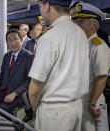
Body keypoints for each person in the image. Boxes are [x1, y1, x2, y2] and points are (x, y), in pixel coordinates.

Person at [28, 0, 89, 131]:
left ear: (47, 6)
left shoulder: (49, 37)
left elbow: (34, 88)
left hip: (54, 112)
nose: (41, 11)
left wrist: (36, 110)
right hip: (78, 107)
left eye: (40, 6)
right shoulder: (80, 33)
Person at [72, 3, 110, 131]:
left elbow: (102, 77)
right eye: (76, 21)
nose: (77, 24)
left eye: (82, 21)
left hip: (93, 102)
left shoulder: (98, 46)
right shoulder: (80, 44)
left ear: (94, 25)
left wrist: (92, 104)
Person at [0, 29, 34, 114]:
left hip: (18, 95)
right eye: (9, 40)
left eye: (15, 39)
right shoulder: (7, 56)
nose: (13, 43)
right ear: (7, 42)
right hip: (3, 91)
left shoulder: (29, 56)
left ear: (21, 40)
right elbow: (1, 76)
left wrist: (14, 93)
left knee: (3, 110)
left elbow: (29, 80)